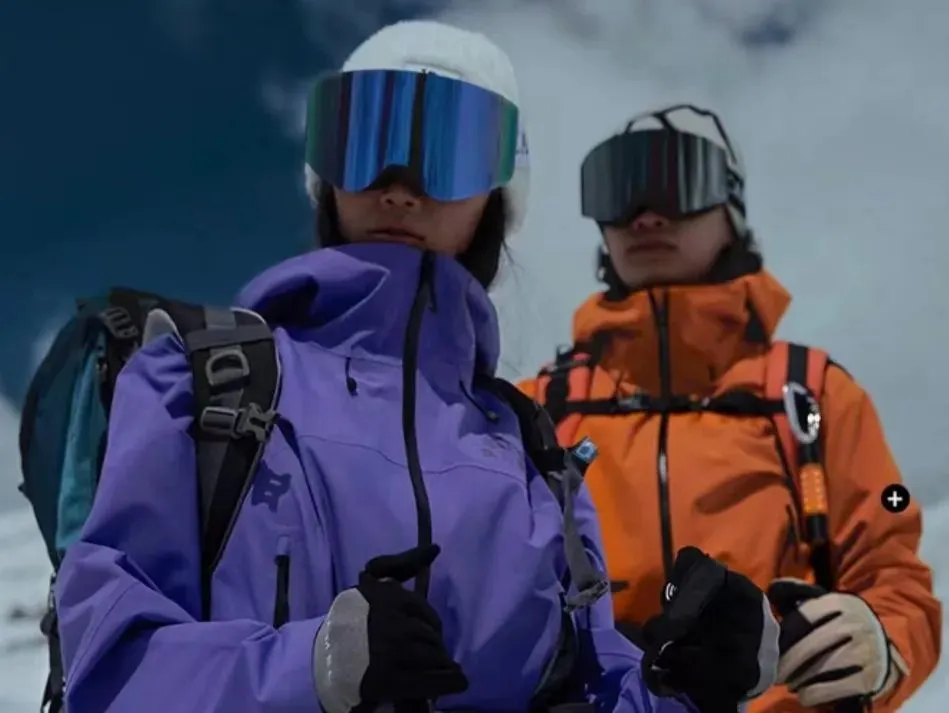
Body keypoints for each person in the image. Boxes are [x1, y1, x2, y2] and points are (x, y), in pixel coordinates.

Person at [53, 25, 779, 713]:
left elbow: (589, 689)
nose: (399, 188)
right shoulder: (202, 380)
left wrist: (690, 684)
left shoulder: (532, 452)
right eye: (365, 141)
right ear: (325, 177)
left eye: (447, 150)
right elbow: (105, 667)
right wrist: (309, 669)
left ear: (496, 197)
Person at [517, 103, 942, 713]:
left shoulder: (814, 398)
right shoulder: (541, 410)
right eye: (619, 189)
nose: (646, 216)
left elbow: (894, 568)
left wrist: (884, 638)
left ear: (731, 208)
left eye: (680, 181)